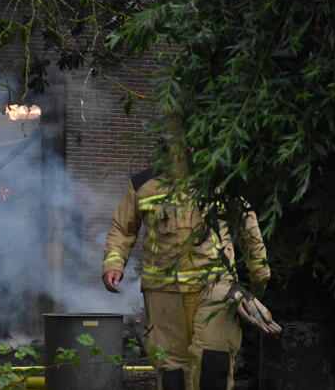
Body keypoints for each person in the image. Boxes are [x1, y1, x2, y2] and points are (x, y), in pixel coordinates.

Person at [102, 165, 279, 390]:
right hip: (163, 291)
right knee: (172, 368)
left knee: (213, 359)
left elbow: (248, 225)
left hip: (215, 285)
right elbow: (123, 229)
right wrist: (113, 264)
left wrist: (259, 275)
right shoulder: (143, 184)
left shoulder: (221, 179)